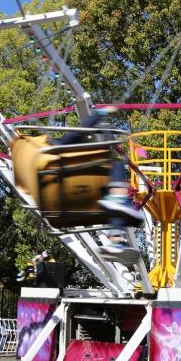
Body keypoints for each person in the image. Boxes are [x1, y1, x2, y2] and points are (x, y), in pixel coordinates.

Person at [49, 107, 143, 255]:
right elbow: (79, 133)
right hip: (75, 182)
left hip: (78, 182)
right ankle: (118, 208)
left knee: (116, 202)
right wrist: (100, 114)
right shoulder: (64, 148)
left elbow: (79, 133)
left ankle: (116, 240)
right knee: (116, 168)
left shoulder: (69, 147)